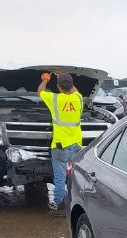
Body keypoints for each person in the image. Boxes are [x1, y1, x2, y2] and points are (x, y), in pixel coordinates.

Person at [37, 71, 83, 213]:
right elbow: (74, 90)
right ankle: (75, 204)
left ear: (57, 87)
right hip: (77, 146)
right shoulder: (79, 98)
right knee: (74, 178)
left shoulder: (55, 99)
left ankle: (59, 205)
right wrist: (63, 78)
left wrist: (45, 79)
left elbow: (40, 91)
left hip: (60, 146)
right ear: (71, 85)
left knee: (60, 178)